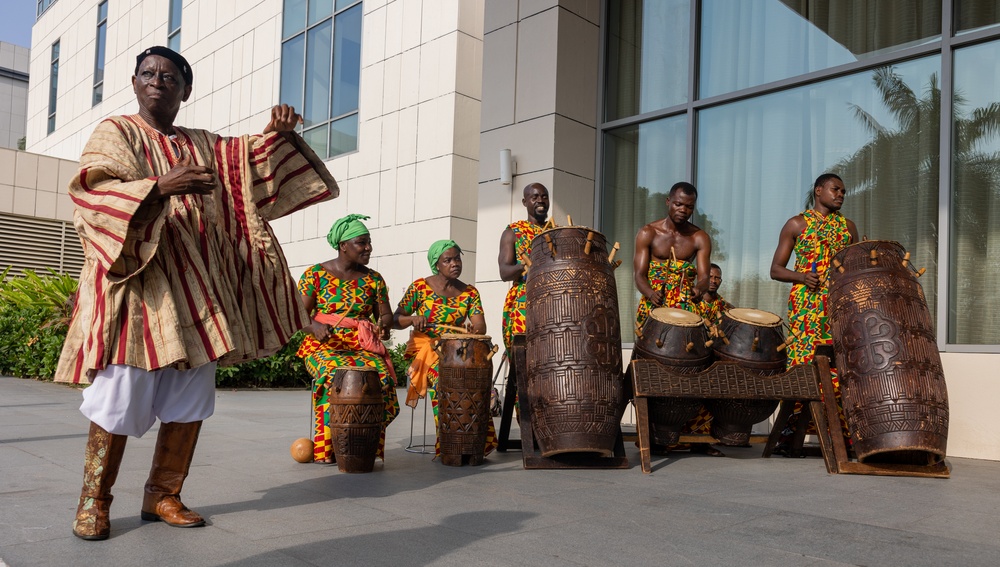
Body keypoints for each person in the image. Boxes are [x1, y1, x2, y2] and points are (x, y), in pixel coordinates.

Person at [59, 46, 337, 540]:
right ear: (135, 82)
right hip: (140, 284)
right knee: (120, 391)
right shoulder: (116, 132)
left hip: (199, 287)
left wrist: (279, 134)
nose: (158, 81)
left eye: (170, 76)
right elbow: (92, 192)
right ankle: (94, 501)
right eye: (148, 73)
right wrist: (159, 187)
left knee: (191, 395)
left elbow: (249, 168)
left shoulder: (204, 143)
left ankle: (162, 494)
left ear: (185, 90)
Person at [297, 214, 399, 464]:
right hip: (323, 345)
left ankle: (365, 444)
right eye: (361, 243)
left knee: (379, 379)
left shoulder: (374, 279)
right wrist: (315, 326)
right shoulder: (316, 275)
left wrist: (383, 325)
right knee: (335, 376)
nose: (368, 248)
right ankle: (328, 448)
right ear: (343, 245)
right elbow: (297, 316)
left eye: (369, 242)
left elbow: (384, 314)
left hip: (362, 345)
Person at [770, 173, 859, 448]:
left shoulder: (849, 227)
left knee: (839, 363)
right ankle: (791, 432)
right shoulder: (796, 224)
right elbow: (775, 269)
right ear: (819, 191)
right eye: (835, 189)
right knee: (804, 364)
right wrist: (800, 277)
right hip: (806, 306)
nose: (841, 194)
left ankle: (839, 431)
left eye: (844, 191)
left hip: (838, 304)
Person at [632, 182, 719, 456]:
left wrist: (699, 288)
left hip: (686, 307)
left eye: (690, 206)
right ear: (668, 201)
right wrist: (650, 293)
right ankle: (653, 434)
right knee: (651, 368)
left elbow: (704, 275)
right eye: (679, 204)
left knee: (691, 368)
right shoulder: (648, 232)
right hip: (655, 306)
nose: (684, 210)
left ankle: (691, 435)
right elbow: (639, 274)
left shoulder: (699, 237)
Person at [393, 240, 497, 457]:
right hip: (425, 351)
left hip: (455, 351)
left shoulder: (470, 292)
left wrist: (473, 331)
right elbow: (395, 319)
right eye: (447, 260)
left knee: (474, 378)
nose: (454, 263)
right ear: (436, 264)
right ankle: (449, 444)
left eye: (457, 258)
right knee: (448, 378)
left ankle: (473, 442)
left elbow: (480, 326)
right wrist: (412, 319)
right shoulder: (420, 288)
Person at [497, 183, 549, 350]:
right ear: (524, 202)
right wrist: (526, 266)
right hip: (524, 300)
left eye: (544, 196)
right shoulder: (513, 232)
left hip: (553, 299)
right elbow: (504, 272)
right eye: (534, 197)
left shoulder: (556, 231)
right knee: (525, 354)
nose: (540, 200)